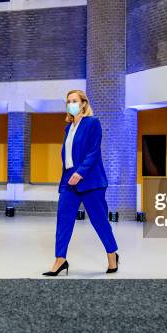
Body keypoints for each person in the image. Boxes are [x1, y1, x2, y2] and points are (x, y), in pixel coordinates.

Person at [43, 90, 119, 276]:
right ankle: (60, 259)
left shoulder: (93, 123)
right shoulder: (68, 128)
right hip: (69, 180)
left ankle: (112, 255)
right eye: (68, 101)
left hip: (90, 181)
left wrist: (80, 172)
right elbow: (68, 155)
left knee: (99, 221)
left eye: (74, 101)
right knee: (63, 220)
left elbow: (93, 152)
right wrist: (69, 175)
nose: (71, 104)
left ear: (84, 103)